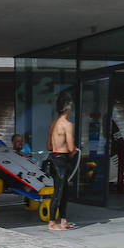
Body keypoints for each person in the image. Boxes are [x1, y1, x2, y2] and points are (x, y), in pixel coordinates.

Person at [47, 92, 78, 231]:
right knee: (59, 192)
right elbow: (71, 147)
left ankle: (63, 220)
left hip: (53, 158)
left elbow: (49, 146)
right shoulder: (67, 125)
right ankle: (52, 222)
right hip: (62, 161)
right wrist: (75, 151)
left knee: (63, 190)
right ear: (69, 108)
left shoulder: (53, 124)